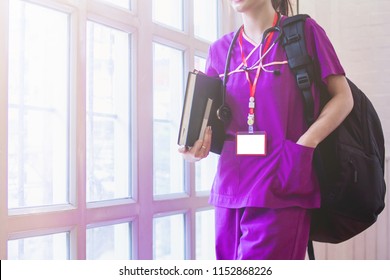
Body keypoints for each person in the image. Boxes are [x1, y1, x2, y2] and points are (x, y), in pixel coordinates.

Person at [179, 0, 353, 260]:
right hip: (229, 192)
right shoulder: (219, 51)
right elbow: (209, 126)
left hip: (282, 184)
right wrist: (192, 149)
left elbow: (343, 97)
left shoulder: (304, 32)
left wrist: (306, 144)